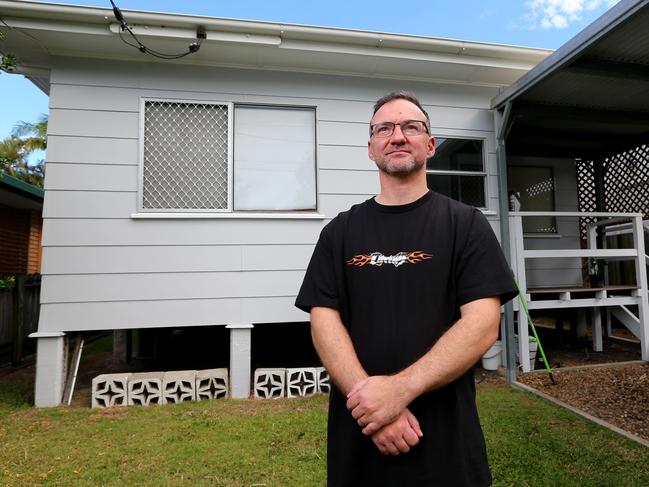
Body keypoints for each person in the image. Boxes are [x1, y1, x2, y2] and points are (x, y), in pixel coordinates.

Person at [295, 91, 517, 486]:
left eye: (411, 127)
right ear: (371, 148)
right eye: (384, 128)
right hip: (359, 442)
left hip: (447, 445)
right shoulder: (339, 232)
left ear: (430, 145)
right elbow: (323, 322)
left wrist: (397, 392)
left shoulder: (466, 225)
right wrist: (373, 409)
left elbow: (483, 324)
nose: (397, 136)